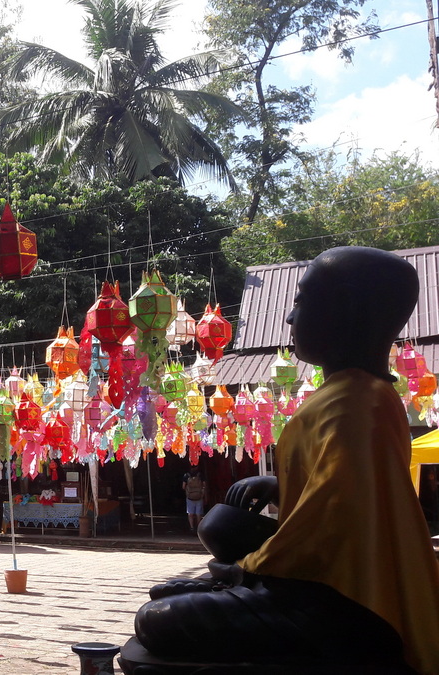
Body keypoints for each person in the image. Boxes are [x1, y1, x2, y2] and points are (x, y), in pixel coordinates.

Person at [124, 247, 439, 674]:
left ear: (345, 311)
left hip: (342, 594)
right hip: (314, 571)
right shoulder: (345, 394)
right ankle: (239, 584)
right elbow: (338, 491)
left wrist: (241, 572)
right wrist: (278, 487)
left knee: (157, 620)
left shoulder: (358, 403)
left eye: (302, 301)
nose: (290, 318)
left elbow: (330, 521)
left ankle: (247, 592)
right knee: (221, 523)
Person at [181, 467, 205, 532]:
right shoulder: (200, 475)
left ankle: (192, 527)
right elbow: (204, 485)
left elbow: (183, 486)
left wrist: (188, 490)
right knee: (198, 513)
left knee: (190, 513)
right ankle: (199, 527)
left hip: (190, 497)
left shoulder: (186, 475)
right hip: (199, 496)